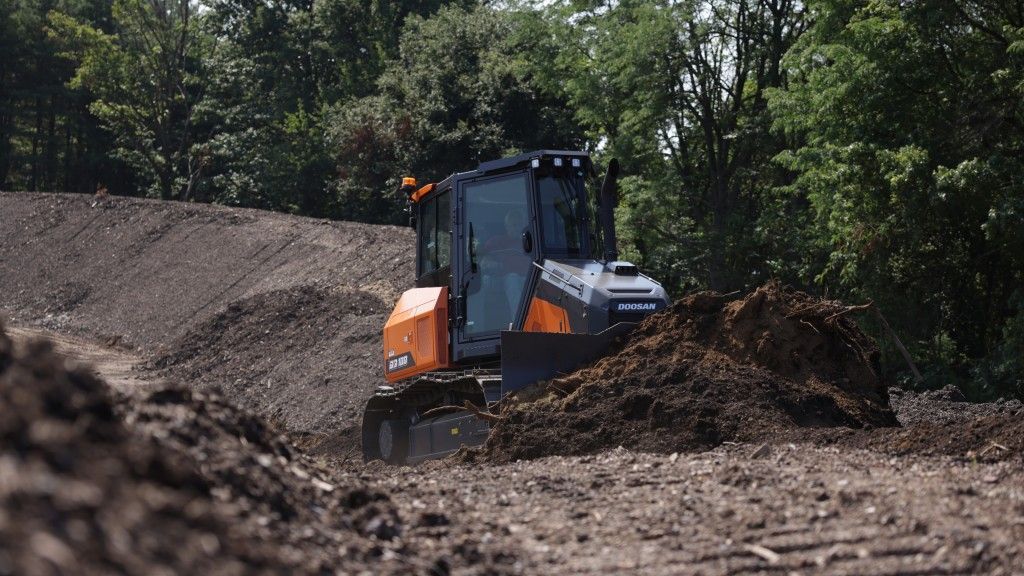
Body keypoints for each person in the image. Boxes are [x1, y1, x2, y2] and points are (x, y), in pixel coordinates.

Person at [481, 208, 528, 318]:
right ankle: (518, 320)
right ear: (507, 226)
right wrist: (494, 265)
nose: (517, 228)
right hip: (499, 279)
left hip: (525, 279)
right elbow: (484, 262)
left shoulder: (527, 244)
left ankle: (525, 319)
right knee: (483, 282)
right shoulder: (496, 242)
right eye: (514, 225)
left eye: (519, 225)